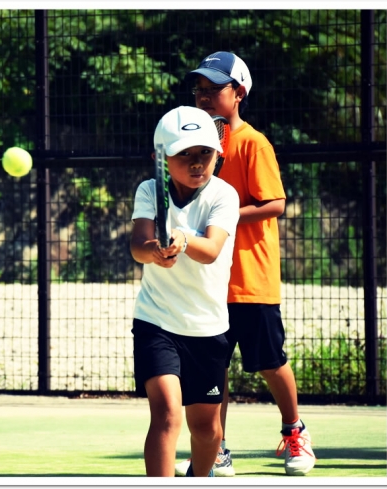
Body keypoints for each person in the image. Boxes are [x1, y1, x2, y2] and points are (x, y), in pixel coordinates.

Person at [175, 51, 316, 477]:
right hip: (209, 281)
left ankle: (295, 431)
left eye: (213, 89)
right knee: (213, 370)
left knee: (270, 362)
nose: (203, 96)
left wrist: (227, 214)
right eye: (198, 89)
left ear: (238, 93)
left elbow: (275, 202)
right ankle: (216, 448)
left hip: (250, 280)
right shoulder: (196, 148)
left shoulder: (252, 143)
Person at [131, 106, 240, 477]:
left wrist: (182, 238)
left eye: (205, 153)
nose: (197, 163)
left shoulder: (224, 195)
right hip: (156, 323)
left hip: (208, 330)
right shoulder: (148, 189)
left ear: (217, 153)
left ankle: (198, 478)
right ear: (161, 159)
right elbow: (137, 246)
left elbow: (210, 251)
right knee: (166, 415)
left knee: (208, 430)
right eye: (185, 155)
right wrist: (155, 252)